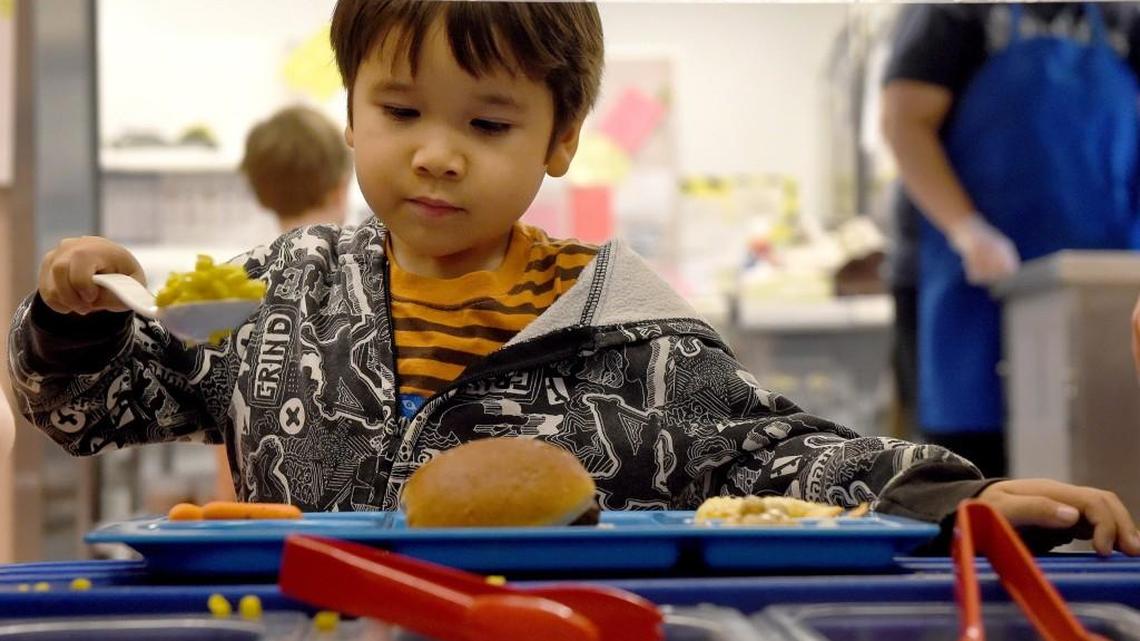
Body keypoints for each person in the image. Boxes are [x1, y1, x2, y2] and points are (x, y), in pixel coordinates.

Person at [8, 0, 1140, 556]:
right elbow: (101, 405)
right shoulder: (275, 289)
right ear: (350, 110)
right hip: (298, 619)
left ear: (560, 139)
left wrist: (959, 494)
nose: (437, 151)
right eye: (400, 111)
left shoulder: (630, 326)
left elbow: (773, 453)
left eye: (488, 121)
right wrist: (75, 319)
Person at [881, 3, 1140, 477]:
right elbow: (905, 122)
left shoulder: (1124, 16)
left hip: (1101, 280)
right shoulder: (955, 12)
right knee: (974, 468)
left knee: (1106, 447)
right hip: (968, 285)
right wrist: (967, 229)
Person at [205, 105, 354, 501]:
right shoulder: (366, 282)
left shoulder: (242, 287)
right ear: (340, 186)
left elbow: (230, 451)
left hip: (264, 523)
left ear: (262, 194)